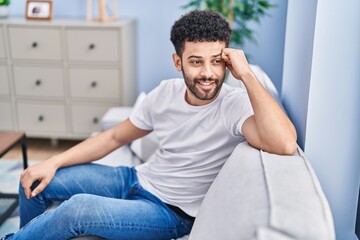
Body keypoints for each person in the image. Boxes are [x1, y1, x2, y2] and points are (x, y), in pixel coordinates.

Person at [2, 10, 297, 240]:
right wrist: (53, 161)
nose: (208, 73)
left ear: (227, 62)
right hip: (134, 179)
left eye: (216, 61)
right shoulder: (165, 94)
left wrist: (245, 74)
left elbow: (284, 144)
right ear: (177, 62)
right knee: (34, 178)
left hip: (169, 212)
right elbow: (115, 136)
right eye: (196, 62)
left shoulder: (236, 105)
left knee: (78, 209)